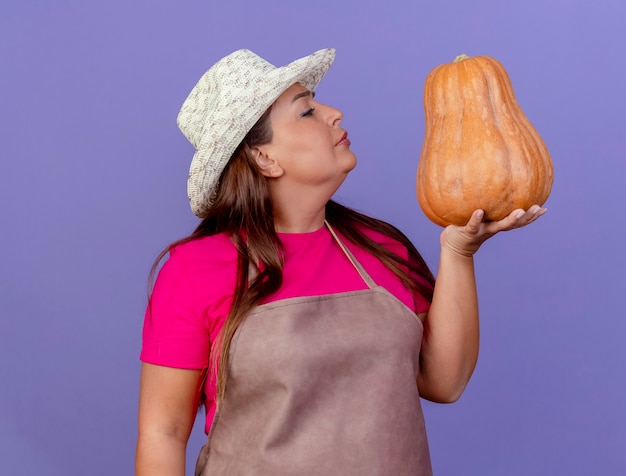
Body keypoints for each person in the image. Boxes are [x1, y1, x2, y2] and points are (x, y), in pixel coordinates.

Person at [135, 48, 546, 476]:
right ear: (264, 158)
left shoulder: (382, 248)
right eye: (307, 111)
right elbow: (163, 432)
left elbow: (444, 382)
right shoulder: (195, 268)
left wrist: (459, 252)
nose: (334, 113)